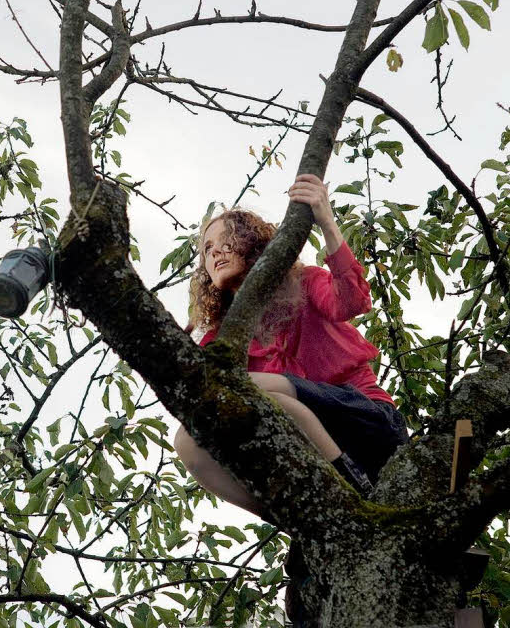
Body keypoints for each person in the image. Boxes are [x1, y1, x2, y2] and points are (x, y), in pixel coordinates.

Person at [173, 174, 409, 514]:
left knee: (245, 387)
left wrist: (325, 218)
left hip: (367, 425)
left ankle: (354, 491)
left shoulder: (304, 281)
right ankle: (296, 520)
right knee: (188, 439)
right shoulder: (221, 338)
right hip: (308, 449)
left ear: (254, 243)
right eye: (208, 249)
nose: (216, 252)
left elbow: (352, 300)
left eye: (229, 239)